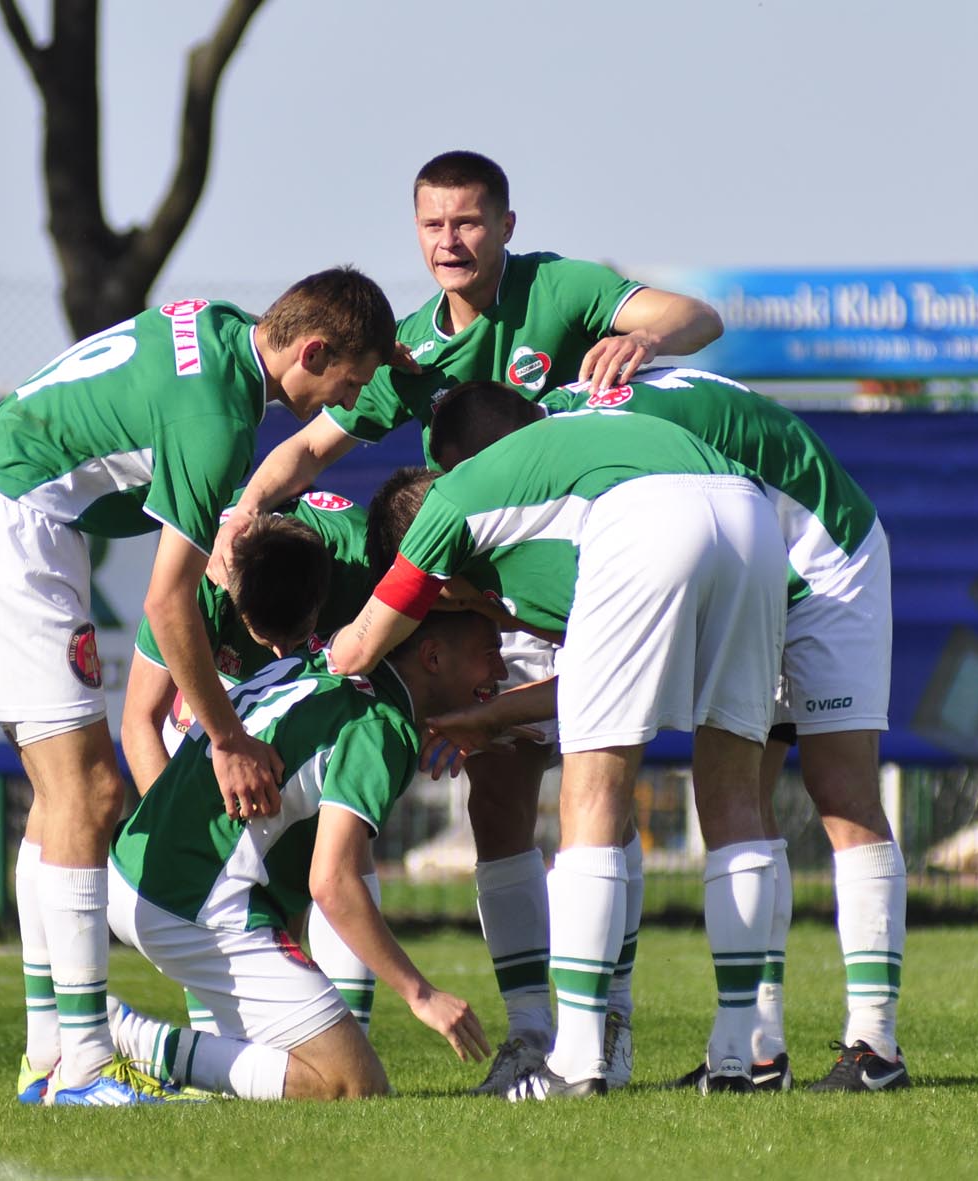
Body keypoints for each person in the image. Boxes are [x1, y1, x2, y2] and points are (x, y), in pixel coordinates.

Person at [211, 150, 723, 1093]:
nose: (452, 241)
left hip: (597, 567)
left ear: (507, 225)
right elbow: (304, 449)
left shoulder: (558, 291)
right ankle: (537, 1035)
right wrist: (239, 517)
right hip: (499, 593)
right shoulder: (409, 351)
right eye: (434, 224)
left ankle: (602, 1025)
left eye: (471, 221)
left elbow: (699, 315)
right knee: (499, 800)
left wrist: (642, 340)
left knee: (596, 795)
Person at [0, 267, 395, 1105]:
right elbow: (168, 603)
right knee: (92, 793)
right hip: (15, 535)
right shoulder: (217, 420)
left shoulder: (215, 330)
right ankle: (87, 1063)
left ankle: (50, 1055)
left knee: (61, 799)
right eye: (345, 383)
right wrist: (228, 740)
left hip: (3, 519)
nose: (341, 402)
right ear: (312, 350)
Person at [427, 368, 909, 1092]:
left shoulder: (585, 465)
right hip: (750, 550)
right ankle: (754, 1048)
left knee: (838, 788)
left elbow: (606, 674)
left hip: (822, 551)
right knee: (736, 797)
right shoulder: (572, 444)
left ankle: (875, 1043)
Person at [329, 410, 789, 1099]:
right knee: (733, 798)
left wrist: (294, 692)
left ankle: (575, 1058)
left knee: (593, 790)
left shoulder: (443, 511)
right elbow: (590, 670)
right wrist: (492, 711)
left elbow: (359, 649)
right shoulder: (536, 514)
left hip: (648, 521)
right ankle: (746, 1052)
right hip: (752, 513)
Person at [103, 610, 504, 1099]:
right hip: (191, 904)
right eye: (490, 655)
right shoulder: (378, 728)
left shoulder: (321, 659)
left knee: (297, 1068)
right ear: (433, 657)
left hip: (138, 867)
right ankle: (124, 1037)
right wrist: (421, 995)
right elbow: (332, 883)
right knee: (352, 1087)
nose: (502, 672)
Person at [120, 488, 380, 1032]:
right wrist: (185, 838)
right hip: (220, 717)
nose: (284, 657)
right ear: (235, 601)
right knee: (200, 756)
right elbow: (140, 721)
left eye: (297, 639)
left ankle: (348, 1034)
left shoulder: (362, 558)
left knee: (343, 818)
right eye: (267, 639)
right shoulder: (194, 584)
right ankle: (220, 1028)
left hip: (321, 698)